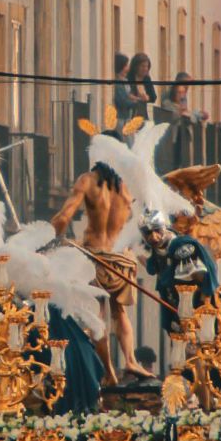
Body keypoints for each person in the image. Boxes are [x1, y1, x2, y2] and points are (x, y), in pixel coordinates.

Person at [52, 158, 147, 384]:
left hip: (96, 258)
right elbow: (139, 225)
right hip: (122, 260)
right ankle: (131, 360)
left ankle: (108, 371)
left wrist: (48, 235)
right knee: (120, 313)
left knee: (98, 316)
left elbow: (65, 216)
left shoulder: (88, 181)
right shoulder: (127, 188)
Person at [127, 52, 157, 118]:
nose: (145, 69)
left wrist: (147, 98)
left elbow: (153, 97)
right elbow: (127, 95)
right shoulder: (129, 77)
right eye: (143, 66)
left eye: (147, 66)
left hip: (143, 113)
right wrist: (139, 98)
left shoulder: (147, 79)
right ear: (136, 66)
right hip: (130, 113)